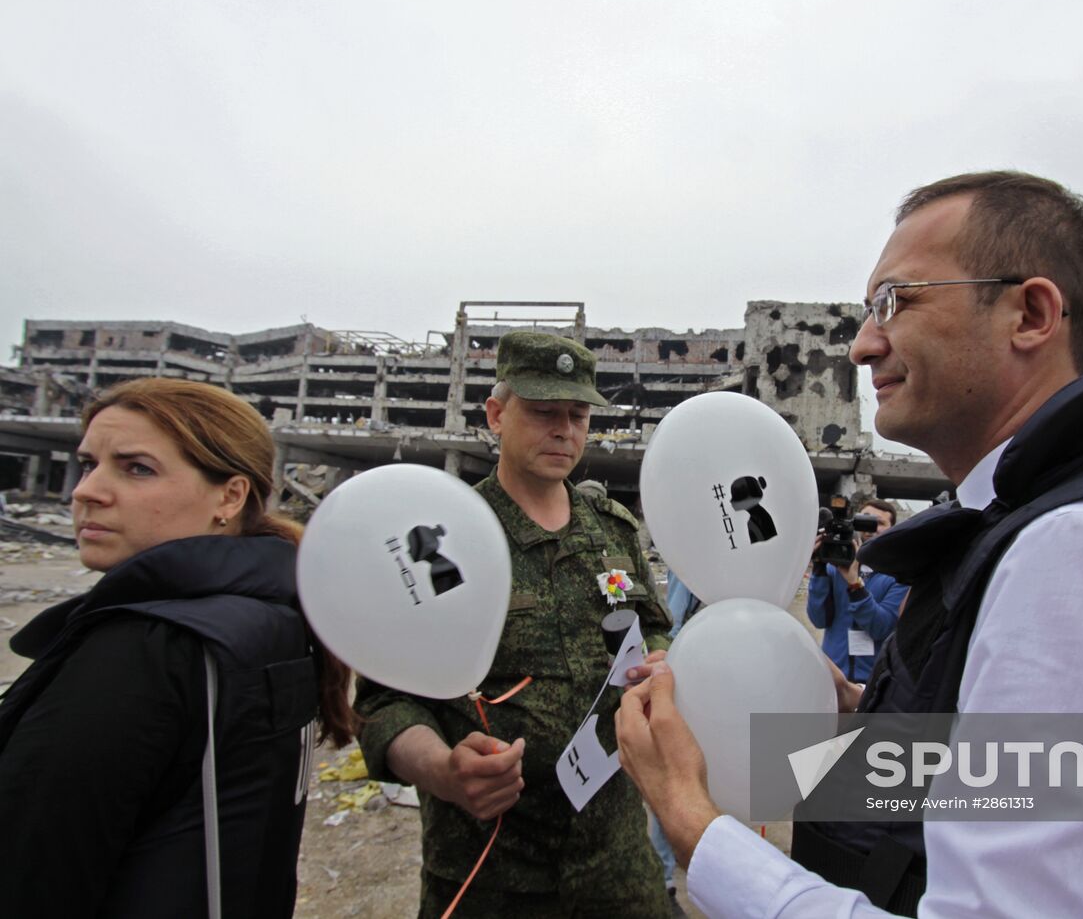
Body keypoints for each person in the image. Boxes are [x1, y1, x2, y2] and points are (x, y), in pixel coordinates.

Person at [616, 170, 1083, 918]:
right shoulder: (1038, 525)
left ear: (1030, 313)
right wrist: (871, 717)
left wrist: (698, 825)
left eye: (896, 300)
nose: (863, 345)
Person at [0, 377, 357, 918]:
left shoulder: (146, 649)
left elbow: (31, 876)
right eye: (89, 463)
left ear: (230, 496)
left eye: (136, 468)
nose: (85, 490)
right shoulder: (275, 617)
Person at [355, 331, 672, 918]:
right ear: (497, 414)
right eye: (545, 412)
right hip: (491, 873)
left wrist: (656, 662)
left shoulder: (613, 530)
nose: (565, 430)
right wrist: (445, 771)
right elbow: (384, 703)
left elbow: (654, 627)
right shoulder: (442, 540)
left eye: (577, 415)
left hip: (617, 865)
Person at [806, 499, 909, 683]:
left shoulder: (898, 577)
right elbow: (818, 619)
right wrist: (819, 568)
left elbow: (881, 628)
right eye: (865, 520)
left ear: (892, 529)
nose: (871, 528)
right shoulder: (834, 569)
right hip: (833, 676)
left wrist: (855, 585)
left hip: (873, 682)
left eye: (880, 523)